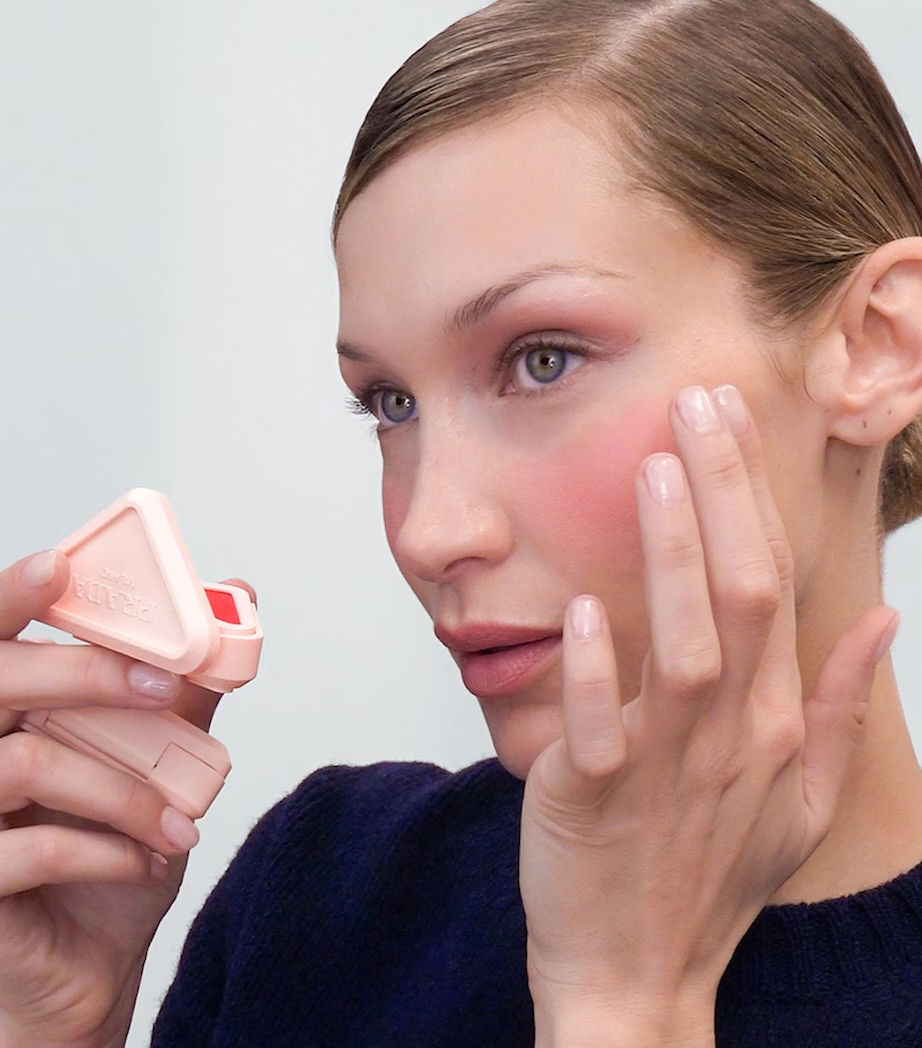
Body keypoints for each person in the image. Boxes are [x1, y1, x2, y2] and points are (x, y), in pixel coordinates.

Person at [2, 0, 922, 1044]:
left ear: (878, 345)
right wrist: (44, 1018)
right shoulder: (327, 891)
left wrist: (627, 1004)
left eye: (542, 359)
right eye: (390, 402)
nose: (427, 531)